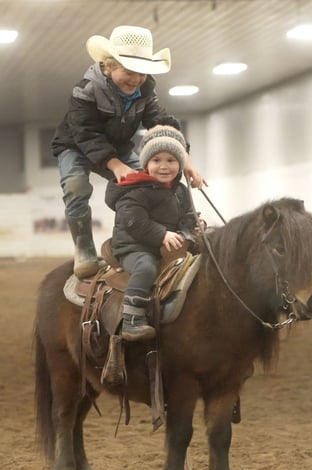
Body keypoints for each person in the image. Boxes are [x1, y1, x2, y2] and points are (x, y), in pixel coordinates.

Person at [51, 25, 206, 278]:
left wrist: (185, 159)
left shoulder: (145, 89)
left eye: (142, 73)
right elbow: (86, 134)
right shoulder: (85, 90)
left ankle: (152, 236)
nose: (136, 79)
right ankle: (84, 247)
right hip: (75, 145)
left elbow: (160, 122)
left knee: (151, 181)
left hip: (118, 146)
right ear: (109, 66)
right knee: (76, 186)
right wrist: (116, 165)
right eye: (129, 71)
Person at [105, 125, 198, 341]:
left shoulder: (180, 190)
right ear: (146, 163)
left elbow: (187, 214)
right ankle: (132, 318)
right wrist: (163, 234)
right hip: (134, 246)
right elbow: (134, 221)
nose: (164, 166)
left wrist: (192, 227)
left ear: (180, 164)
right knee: (146, 267)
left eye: (171, 160)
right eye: (156, 160)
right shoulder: (135, 189)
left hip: (166, 246)